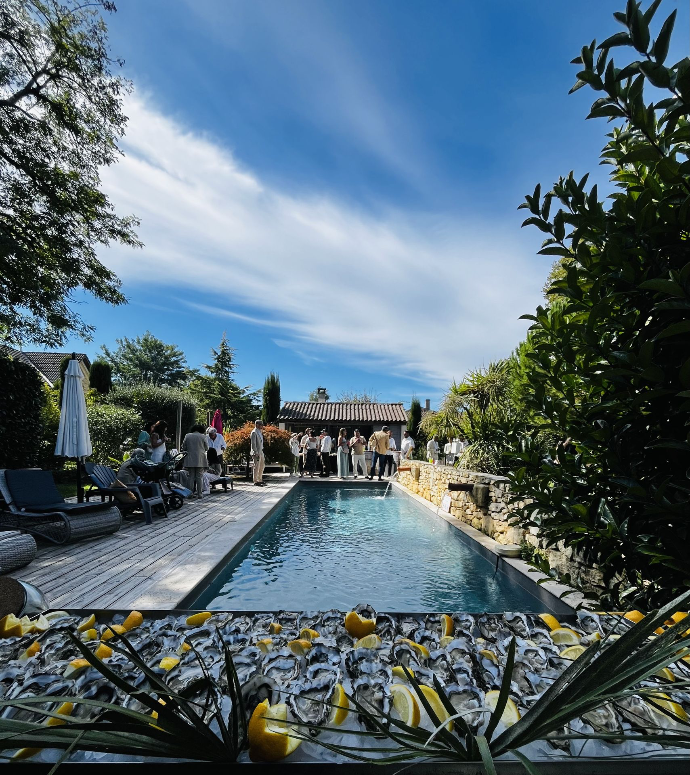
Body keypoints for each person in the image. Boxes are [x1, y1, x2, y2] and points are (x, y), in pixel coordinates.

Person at [182, 424, 209, 499]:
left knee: (190, 476)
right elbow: (207, 448)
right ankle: (200, 494)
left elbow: (184, 447)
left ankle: (190, 494)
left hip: (190, 458)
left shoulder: (187, 436)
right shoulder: (203, 436)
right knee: (199, 477)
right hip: (200, 459)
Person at [250, 419, 265, 486]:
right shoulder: (254, 432)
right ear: (257, 425)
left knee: (262, 465)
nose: (262, 426)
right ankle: (255, 481)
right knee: (256, 466)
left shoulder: (259, 431)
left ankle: (260, 479)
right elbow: (253, 444)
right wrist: (256, 452)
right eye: (261, 425)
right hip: (256, 452)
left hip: (261, 451)